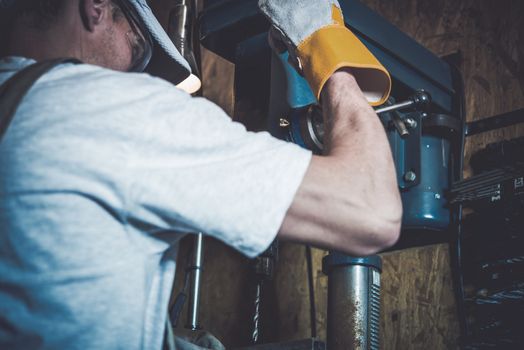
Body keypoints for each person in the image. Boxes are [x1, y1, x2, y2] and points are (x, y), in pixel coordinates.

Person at [0, 0, 402, 349]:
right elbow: (371, 210)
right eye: (137, 49)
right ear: (96, 7)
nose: (134, 75)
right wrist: (324, 45)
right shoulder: (107, 108)